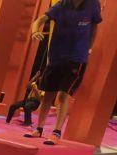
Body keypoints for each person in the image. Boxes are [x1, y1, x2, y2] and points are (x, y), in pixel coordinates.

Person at [27, 0, 102, 144]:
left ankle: (56, 132)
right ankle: (39, 129)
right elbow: (39, 20)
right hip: (56, 57)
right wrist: (35, 31)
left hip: (76, 58)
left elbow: (94, 27)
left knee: (63, 95)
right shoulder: (62, 5)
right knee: (48, 95)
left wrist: (89, 48)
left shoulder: (93, 4)